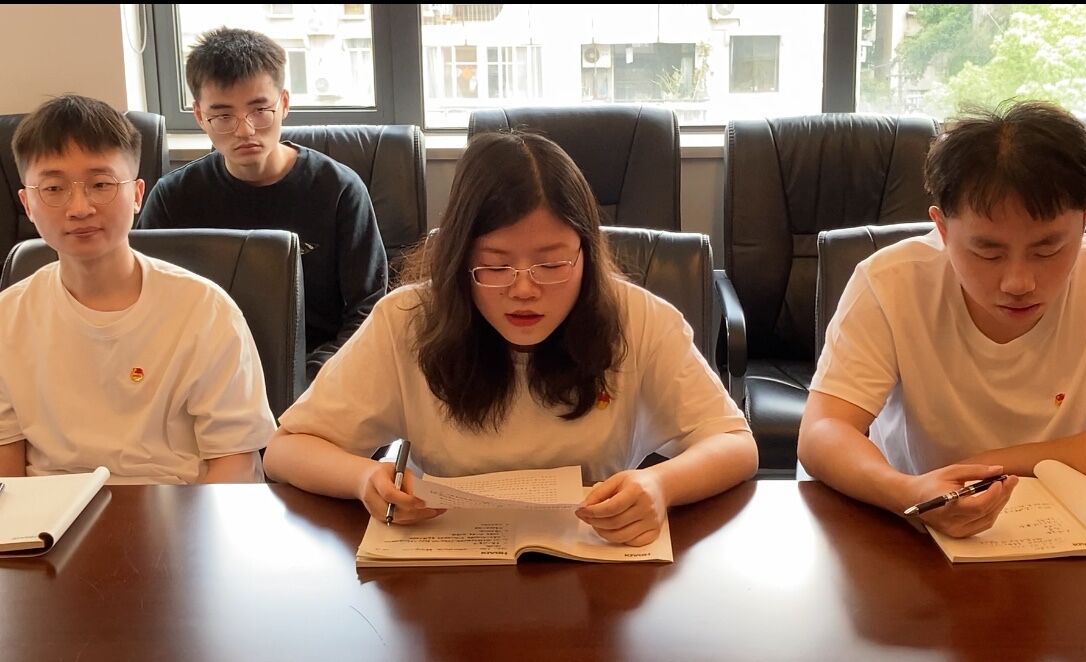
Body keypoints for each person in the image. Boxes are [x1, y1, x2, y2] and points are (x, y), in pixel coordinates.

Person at [264, 131, 758, 546]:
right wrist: (362, 478)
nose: (524, 289)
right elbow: (287, 449)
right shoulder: (408, 320)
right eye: (495, 266)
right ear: (459, 257)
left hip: (595, 562)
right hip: (450, 568)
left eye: (551, 263)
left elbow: (735, 443)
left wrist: (660, 484)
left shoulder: (638, 319)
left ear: (586, 252)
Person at [798, 100, 1086, 538]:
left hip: (1079, 533)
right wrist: (910, 494)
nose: (1019, 282)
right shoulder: (889, 281)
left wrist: (989, 466)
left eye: (1048, 249)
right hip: (918, 532)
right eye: (987, 252)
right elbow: (823, 430)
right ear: (942, 227)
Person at [0, 95, 273, 483]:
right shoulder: (8, 318)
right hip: (52, 515)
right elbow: (6, 471)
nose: (79, 207)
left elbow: (235, 464)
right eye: (54, 188)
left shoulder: (205, 310)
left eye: (101, 184)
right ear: (27, 204)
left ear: (137, 195)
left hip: (179, 508)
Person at [138, 27, 387, 380]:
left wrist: (311, 379)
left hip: (318, 376)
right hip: (206, 375)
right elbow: (148, 305)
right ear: (199, 115)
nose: (245, 131)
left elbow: (368, 309)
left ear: (283, 103)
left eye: (259, 110)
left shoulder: (339, 190)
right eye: (223, 116)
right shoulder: (173, 198)